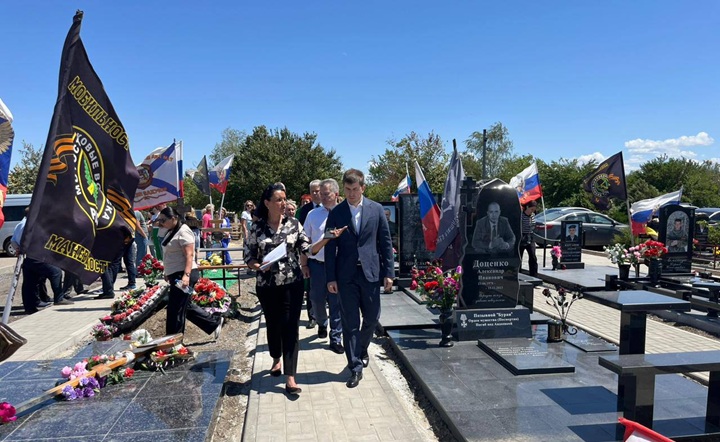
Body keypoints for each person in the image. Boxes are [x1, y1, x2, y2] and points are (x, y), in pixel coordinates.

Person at [325, 169, 394, 389]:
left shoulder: (376, 210)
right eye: (347, 189)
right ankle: (354, 367)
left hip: (370, 273)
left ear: (363, 188)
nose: (351, 193)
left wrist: (389, 273)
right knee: (350, 323)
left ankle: (362, 348)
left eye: (355, 189)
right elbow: (329, 248)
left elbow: (385, 243)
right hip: (346, 276)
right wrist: (330, 278)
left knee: (372, 317)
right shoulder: (336, 213)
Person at [244, 183, 311, 396]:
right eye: (279, 200)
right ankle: (276, 358)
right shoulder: (257, 228)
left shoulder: (294, 224)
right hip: (267, 286)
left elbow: (306, 247)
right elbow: (248, 255)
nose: (283, 203)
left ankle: (290, 376)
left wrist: (325, 240)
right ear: (267, 203)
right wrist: (258, 266)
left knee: (291, 327)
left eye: (284, 199)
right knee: (273, 325)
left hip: (292, 283)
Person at [158, 207, 223, 338]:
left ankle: (173, 340)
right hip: (175, 274)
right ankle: (213, 322)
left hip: (184, 273)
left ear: (173, 218)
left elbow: (189, 255)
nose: (161, 223)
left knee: (176, 308)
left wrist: (186, 275)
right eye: (159, 220)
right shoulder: (171, 231)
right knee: (184, 305)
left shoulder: (184, 231)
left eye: (163, 220)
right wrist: (167, 271)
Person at [303, 179, 344, 354]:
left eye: (326, 194)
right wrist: (304, 264)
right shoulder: (313, 215)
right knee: (317, 299)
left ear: (336, 194)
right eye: (321, 193)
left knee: (336, 302)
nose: (322, 197)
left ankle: (336, 338)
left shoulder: (345, 213)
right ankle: (321, 322)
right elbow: (305, 241)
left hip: (338, 266)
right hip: (317, 265)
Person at [12, 211, 63, 313]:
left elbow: (13, 240)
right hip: (35, 255)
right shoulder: (28, 224)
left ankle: (30, 307)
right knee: (56, 272)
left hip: (28, 257)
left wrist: (18, 248)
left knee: (31, 282)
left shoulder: (21, 224)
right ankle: (59, 298)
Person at [298, 180, 322, 330]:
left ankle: (324, 318)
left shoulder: (330, 207)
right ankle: (312, 317)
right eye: (312, 191)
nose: (315, 194)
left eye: (317, 191)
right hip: (311, 254)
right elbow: (302, 234)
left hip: (327, 255)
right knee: (311, 289)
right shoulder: (305, 211)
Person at [519, 200, 538, 277]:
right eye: (531, 209)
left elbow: (533, 225)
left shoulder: (532, 215)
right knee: (520, 256)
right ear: (527, 207)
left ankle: (534, 275)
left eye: (534, 210)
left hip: (530, 236)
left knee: (533, 256)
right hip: (522, 237)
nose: (532, 211)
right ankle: (518, 273)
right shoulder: (521, 215)